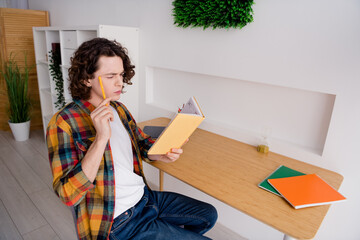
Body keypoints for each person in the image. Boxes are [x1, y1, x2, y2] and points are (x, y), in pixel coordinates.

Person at [46, 37, 217, 240]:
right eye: (110, 76)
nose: (120, 82)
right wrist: (101, 139)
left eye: (121, 74)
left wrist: (161, 153)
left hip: (145, 198)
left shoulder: (118, 108)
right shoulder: (63, 123)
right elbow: (67, 194)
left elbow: (143, 143)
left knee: (208, 215)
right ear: (86, 79)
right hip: (118, 221)